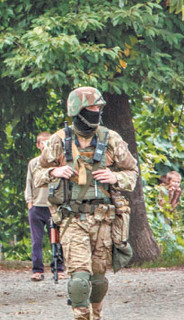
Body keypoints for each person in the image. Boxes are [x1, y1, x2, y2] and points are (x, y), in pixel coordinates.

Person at [34, 87, 138, 320]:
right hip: (72, 219)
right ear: (77, 110)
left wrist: (116, 177)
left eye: (99, 108)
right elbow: (37, 174)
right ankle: (81, 316)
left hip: (104, 219)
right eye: (92, 107)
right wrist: (54, 170)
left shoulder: (110, 138)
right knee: (80, 279)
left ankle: (96, 315)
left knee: (98, 279)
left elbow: (132, 171)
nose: (97, 111)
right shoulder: (59, 141)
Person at [24, 131, 65, 281]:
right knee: (37, 241)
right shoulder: (34, 163)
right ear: (38, 145)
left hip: (53, 206)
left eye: (49, 142)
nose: (46, 145)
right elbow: (29, 182)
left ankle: (59, 268)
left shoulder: (59, 162)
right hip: (37, 206)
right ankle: (37, 270)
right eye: (43, 142)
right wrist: (29, 202)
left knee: (57, 239)